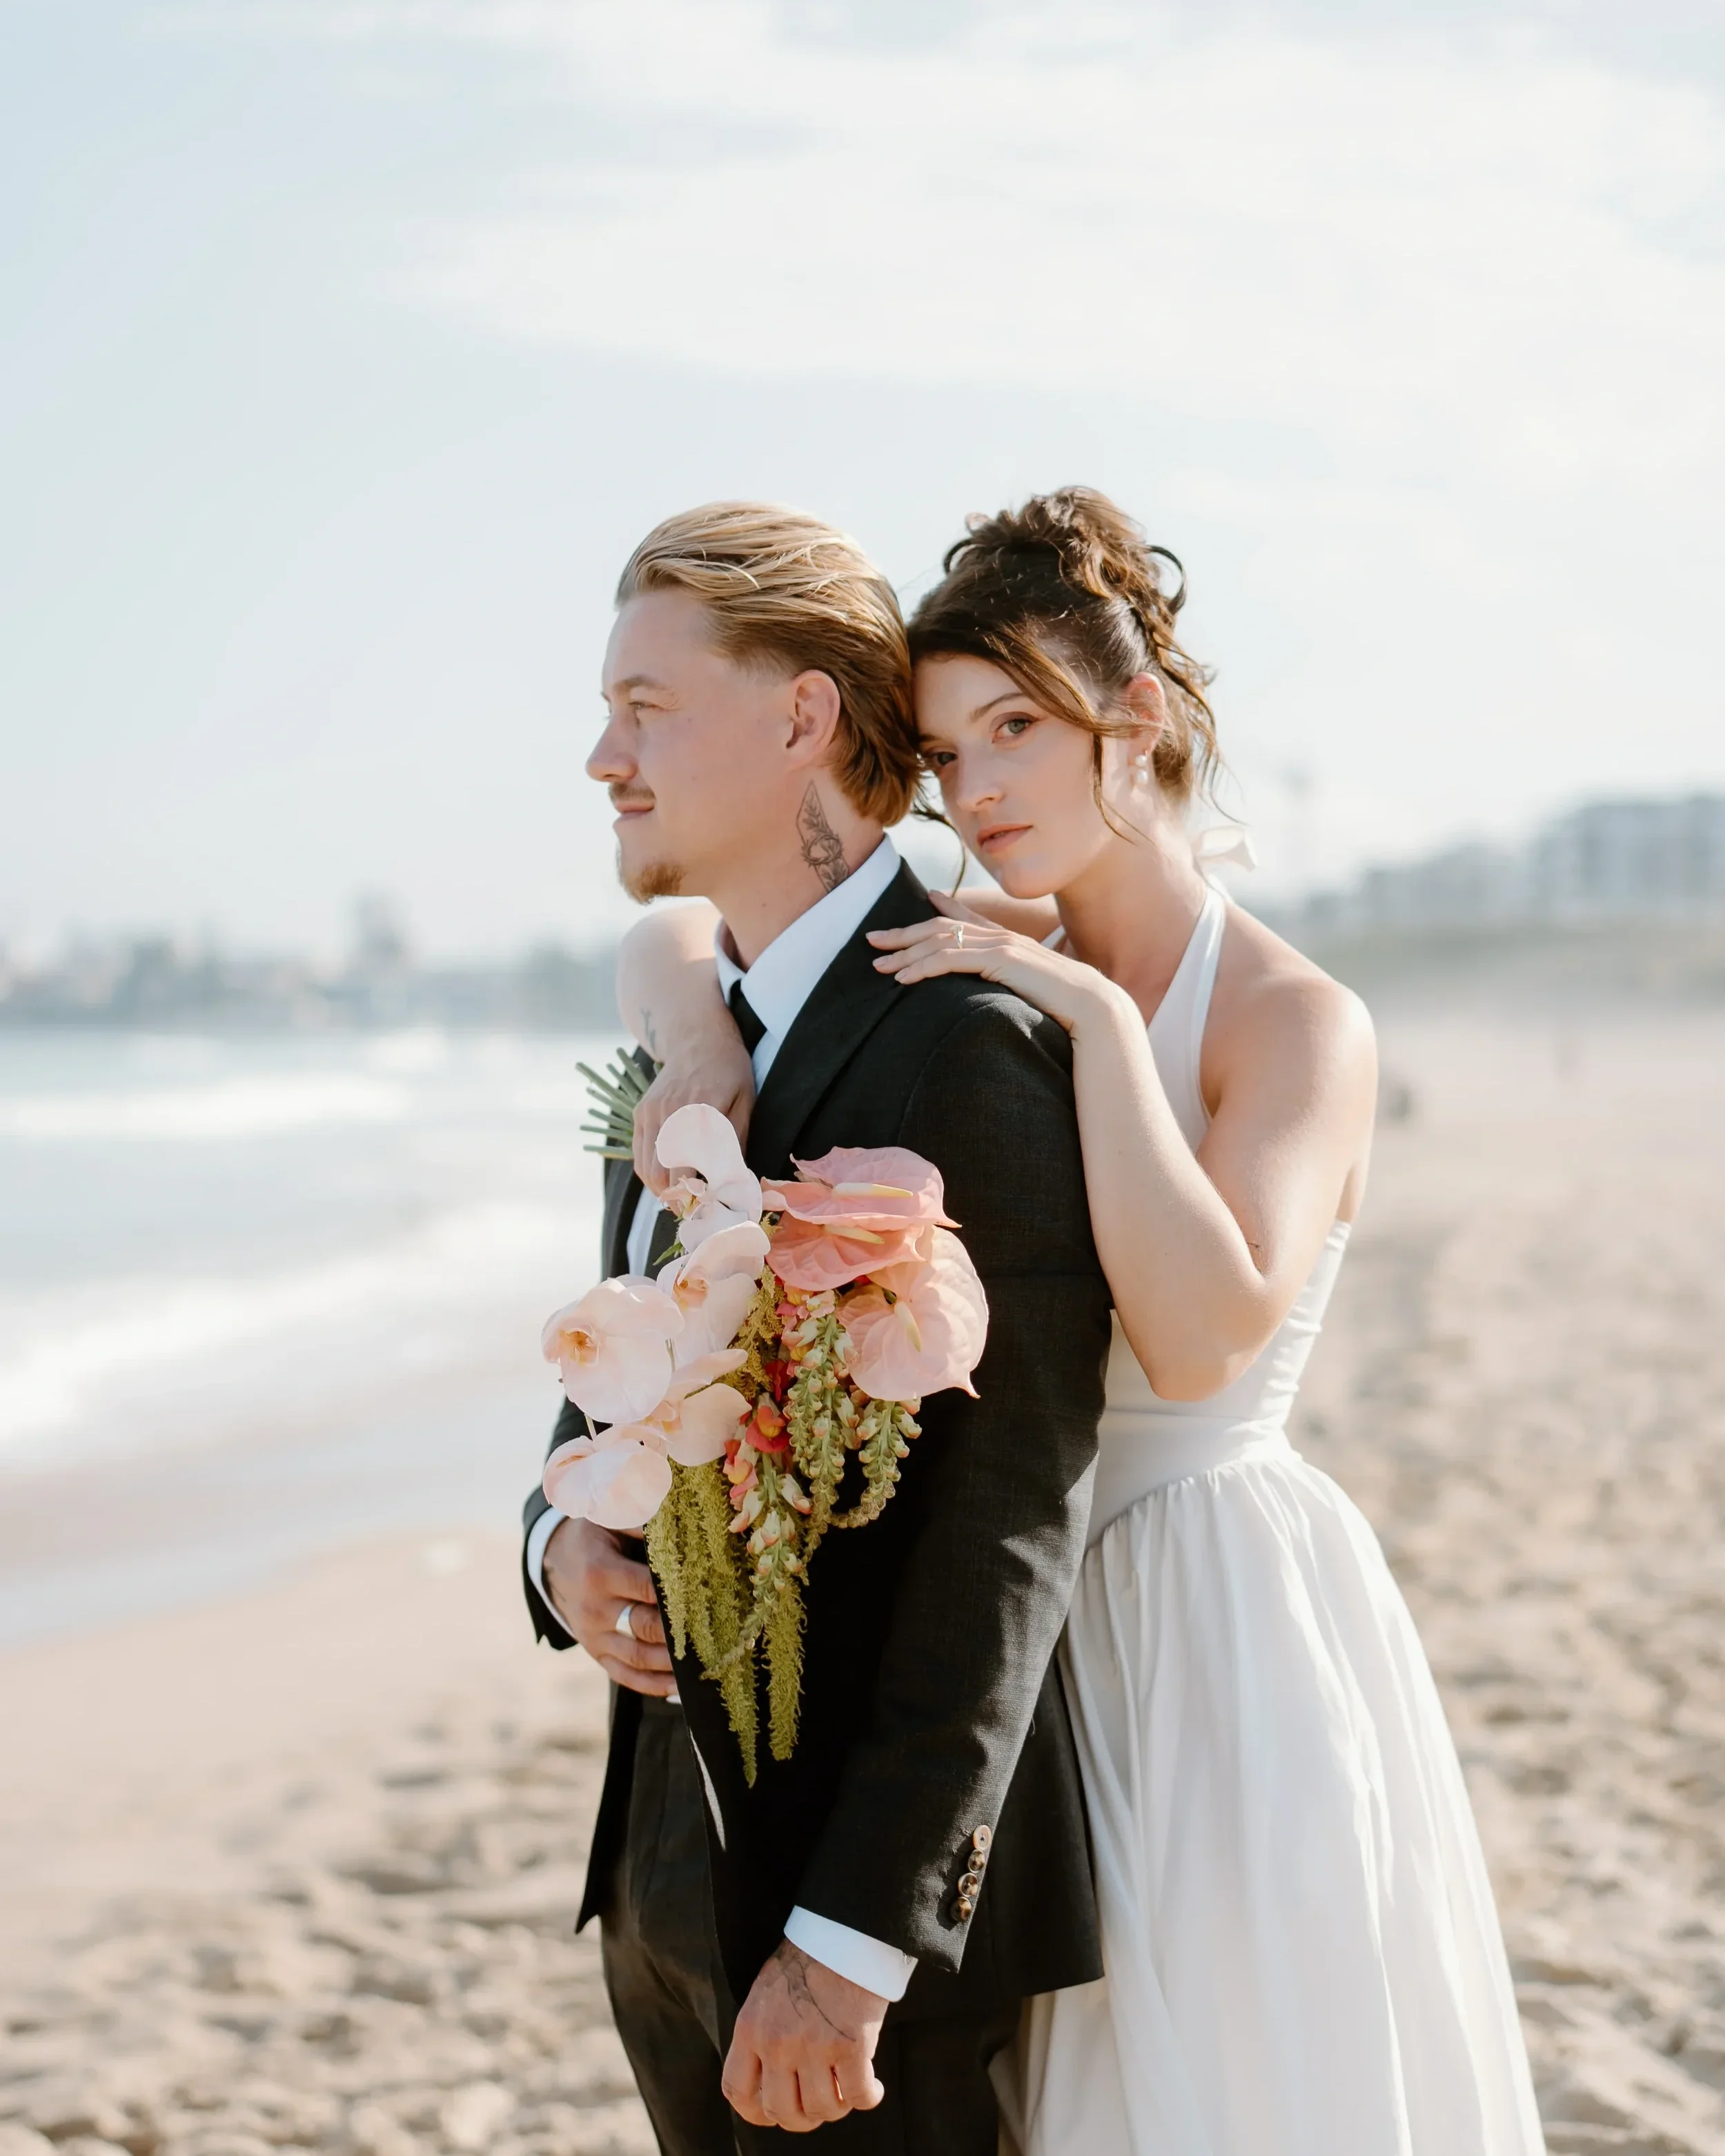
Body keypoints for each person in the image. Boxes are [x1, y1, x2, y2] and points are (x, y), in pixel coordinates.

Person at [621, 488, 1546, 2155]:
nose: (973, 794)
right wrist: (686, 1024)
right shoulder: (1003, 946)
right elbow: (684, 914)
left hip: (1205, 1599)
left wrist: (1104, 1028)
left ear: (1135, 724)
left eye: (1014, 732)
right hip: (1038, 1643)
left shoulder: (1288, 1021)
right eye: (947, 750)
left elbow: (1197, 1337)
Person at [522, 502, 1116, 2153]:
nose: (600, 756)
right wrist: (554, 1552)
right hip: (670, 1890)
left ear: (799, 717)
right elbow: (597, 1395)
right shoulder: (694, 1047)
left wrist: (854, 1948)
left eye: (645, 705)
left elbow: (1007, 1523)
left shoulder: (966, 1048)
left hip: (848, 1952)